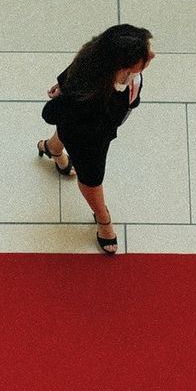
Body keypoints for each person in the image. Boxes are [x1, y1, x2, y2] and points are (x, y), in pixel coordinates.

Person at [36, 23, 155, 255]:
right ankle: (103, 218)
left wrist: (62, 85)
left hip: (83, 125)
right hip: (90, 139)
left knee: (66, 131)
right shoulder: (90, 93)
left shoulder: (97, 58)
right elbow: (69, 116)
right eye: (144, 55)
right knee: (92, 180)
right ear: (121, 65)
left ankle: (53, 149)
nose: (151, 55)